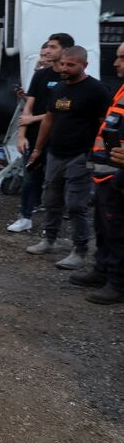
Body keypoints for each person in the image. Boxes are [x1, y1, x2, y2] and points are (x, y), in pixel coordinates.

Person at [26, 46, 112, 270]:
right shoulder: (59, 88)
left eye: (70, 65)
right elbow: (49, 119)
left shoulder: (97, 90)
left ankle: (80, 250)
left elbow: (106, 125)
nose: (64, 68)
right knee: (50, 200)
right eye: (63, 64)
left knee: (75, 205)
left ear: (84, 65)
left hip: (82, 155)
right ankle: (49, 240)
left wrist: (102, 155)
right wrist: (38, 149)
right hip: (55, 153)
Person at [69, 41, 124, 304]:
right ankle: (102, 270)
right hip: (106, 173)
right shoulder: (121, 89)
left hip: (119, 177)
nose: (115, 63)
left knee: (118, 232)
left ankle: (118, 283)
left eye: (122, 58)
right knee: (104, 228)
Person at [7, 33, 74, 232]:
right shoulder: (40, 75)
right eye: (47, 47)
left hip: (58, 139)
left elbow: (63, 112)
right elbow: (28, 107)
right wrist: (21, 135)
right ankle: (25, 217)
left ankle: (51, 225)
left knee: (54, 182)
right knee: (30, 179)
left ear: (65, 50)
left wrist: (33, 119)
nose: (47, 50)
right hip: (34, 138)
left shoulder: (70, 78)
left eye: (53, 47)